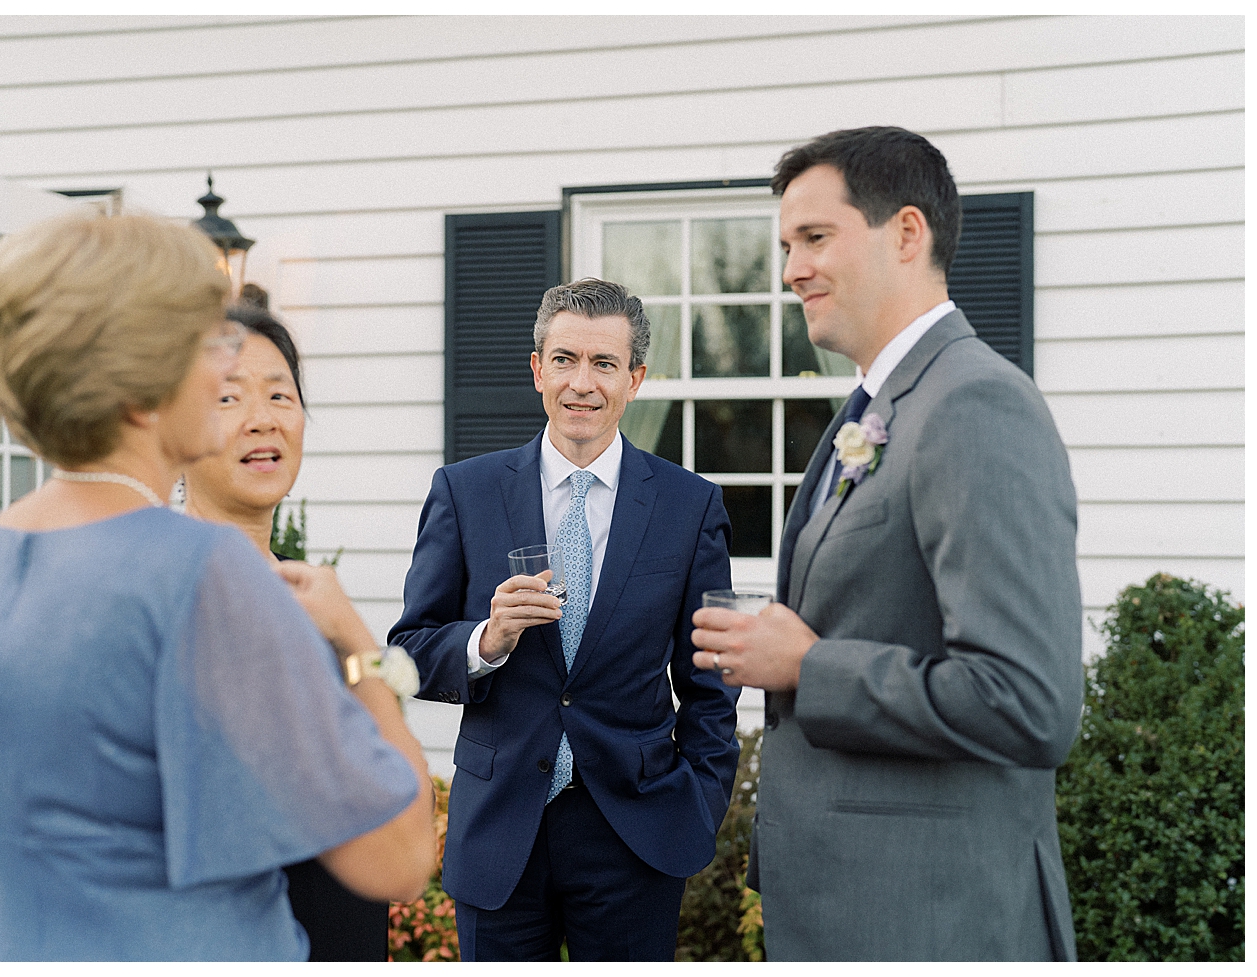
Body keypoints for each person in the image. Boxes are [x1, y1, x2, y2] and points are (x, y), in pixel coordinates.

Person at [0, 211, 436, 962]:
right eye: (209, 346)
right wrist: (361, 655)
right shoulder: (205, 571)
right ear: (139, 385)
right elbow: (396, 858)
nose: (226, 369)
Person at [690, 126, 1082, 961]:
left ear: (908, 233)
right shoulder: (879, 406)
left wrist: (807, 666)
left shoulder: (975, 405)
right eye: (787, 244)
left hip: (931, 917)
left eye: (816, 238)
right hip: (852, 908)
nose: (791, 268)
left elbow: (1028, 700)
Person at [390, 278, 741, 961]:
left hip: (635, 834)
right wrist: (485, 641)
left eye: (604, 364)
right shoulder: (464, 492)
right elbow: (409, 648)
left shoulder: (688, 505)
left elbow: (710, 680)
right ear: (537, 369)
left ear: (635, 378)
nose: (582, 382)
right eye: (565, 359)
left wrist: (696, 800)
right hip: (499, 835)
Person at [181, 302, 392, 962]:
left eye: (280, 393)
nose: (263, 417)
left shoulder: (309, 596)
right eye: (228, 396)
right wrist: (362, 648)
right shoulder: (171, 591)